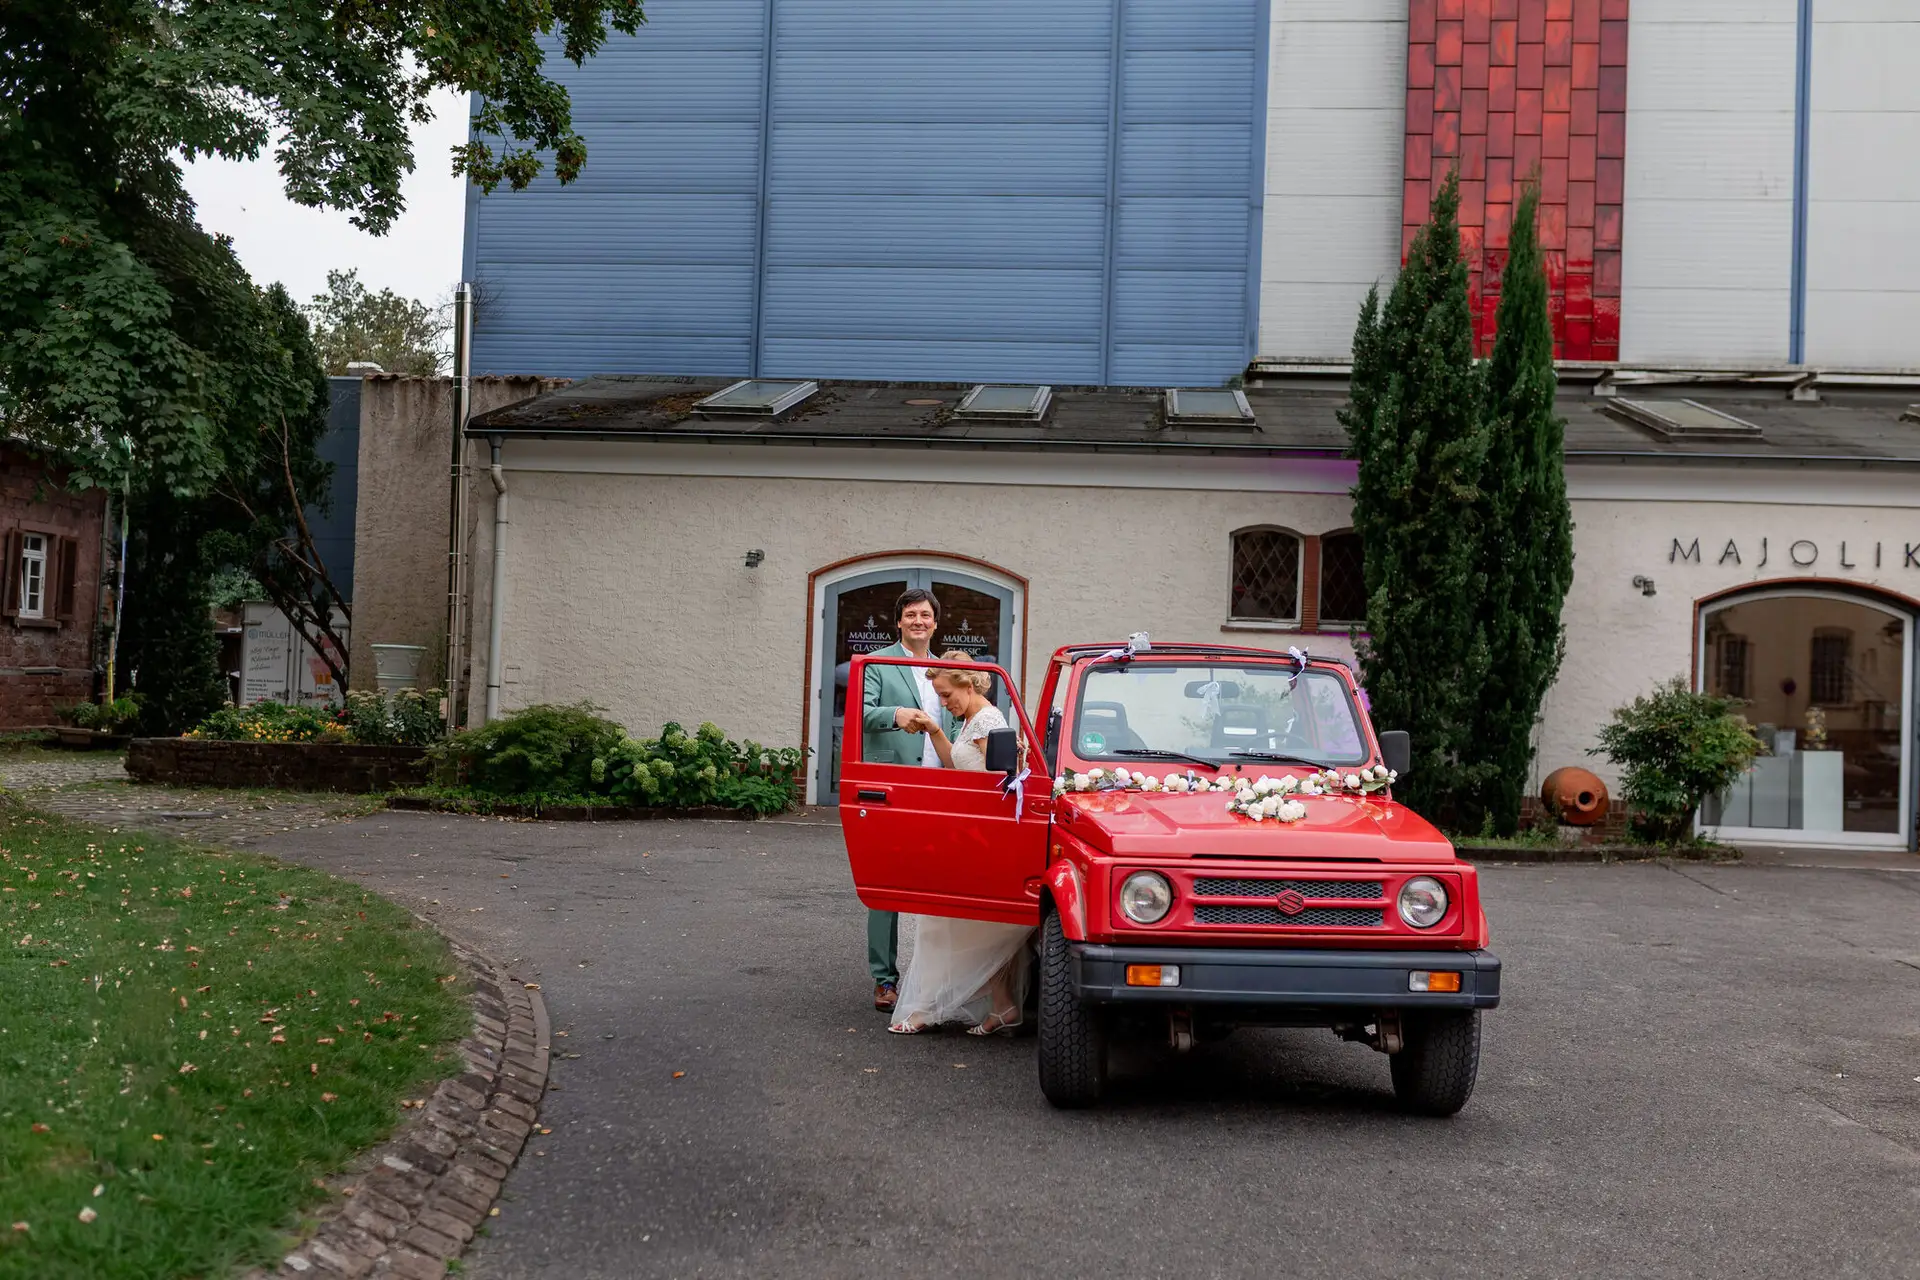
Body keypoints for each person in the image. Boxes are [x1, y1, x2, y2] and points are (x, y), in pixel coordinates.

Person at [888, 653, 1034, 1037]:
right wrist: (936, 729)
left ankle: (925, 1008)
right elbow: (957, 765)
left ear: (968, 684)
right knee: (968, 924)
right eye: (939, 696)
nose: (945, 701)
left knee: (943, 921)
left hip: (981, 836)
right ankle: (1003, 1007)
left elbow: (998, 784)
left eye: (947, 694)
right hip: (968, 833)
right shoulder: (971, 719)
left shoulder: (987, 720)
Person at [858, 588, 954, 1013]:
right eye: (910, 615)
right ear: (898, 622)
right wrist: (894, 715)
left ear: (935, 623)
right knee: (887, 887)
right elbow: (861, 713)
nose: (918, 621)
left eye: (926, 615)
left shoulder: (945, 669)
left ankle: (936, 978)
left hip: (942, 788)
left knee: (942, 882)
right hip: (894, 788)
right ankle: (884, 979)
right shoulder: (879, 663)